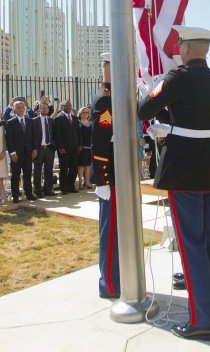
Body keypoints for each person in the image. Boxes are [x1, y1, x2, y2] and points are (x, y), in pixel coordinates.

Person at [138, 26, 210, 341]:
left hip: (184, 171)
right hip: (209, 170)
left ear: (187, 49)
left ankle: (203, 319)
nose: (178, 49)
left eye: (180, 46)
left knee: (191, 246)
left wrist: (153, 88)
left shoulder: (177, 79)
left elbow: (144, 109)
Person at [91, 52, 121, 299]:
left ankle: (120, 278)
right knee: (110, 232)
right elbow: (100, 144)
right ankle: (110, 284)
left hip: (120, 173)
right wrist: (103, 180)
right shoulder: (105, 99)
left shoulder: (117, 96)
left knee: (119, 231)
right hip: (110, 175)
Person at [5, 100, 36, 202]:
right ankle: (15, 196)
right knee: (15, 176)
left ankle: (29, 194)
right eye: (18, 107)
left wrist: (34, 150)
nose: (21, 109)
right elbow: (9, 140)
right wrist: (12, 153)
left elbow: (33, 136)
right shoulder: (10, 122)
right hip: (16, 154)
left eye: (22, 107)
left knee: (28, 174)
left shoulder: (30, 121)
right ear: (14, 109)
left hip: (28, 153)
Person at [53, 99, 82, 194]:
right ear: (62, 107)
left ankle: (71, 186)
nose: (68, 107)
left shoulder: (75, 118)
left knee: (74, 168)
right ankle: (63, 188)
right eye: (66, 106)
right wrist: (60, 147)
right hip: (64, 149)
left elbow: (78, 133)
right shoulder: (58, 118)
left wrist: (80, 144)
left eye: (69, 106)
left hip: (75, 148)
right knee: (64, 169)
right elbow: (57, 134)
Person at [30, 102, 57, 196]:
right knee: (37, 170)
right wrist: (34, 149)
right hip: (38, 149)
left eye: (46, 108)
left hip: (49, 148)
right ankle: (38, 190)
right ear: (39, 109)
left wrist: (54, 146)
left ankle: (48, 189)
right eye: (43, 108)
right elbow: (32, 136)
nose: (45, 109)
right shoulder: (34, 120)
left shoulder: (50, 120)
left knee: (49, 170)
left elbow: (53, 134)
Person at [76, 106, 93, 190]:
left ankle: (87, 182)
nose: (85, 114)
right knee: (80, 165)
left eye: (87, 112)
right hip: (81, 147)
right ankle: (80, 183)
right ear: (80, 113)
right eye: (83, 112)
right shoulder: (78, 123)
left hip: (89, 146)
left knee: (88, 165)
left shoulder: (91, 123)